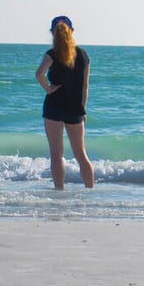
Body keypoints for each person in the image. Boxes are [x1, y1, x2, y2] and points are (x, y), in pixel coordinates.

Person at [34, 15, 94, 189]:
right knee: (81, 155)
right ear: (72, 31)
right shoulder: (83, 55)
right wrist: (83, 109)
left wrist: (48, 89)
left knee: (56, 154)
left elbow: (39, 74)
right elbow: (85, 87)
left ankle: (59, 192)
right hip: (75, 109)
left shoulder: (52, 54)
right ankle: (90, 193)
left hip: (53, 107)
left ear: (53, 33)